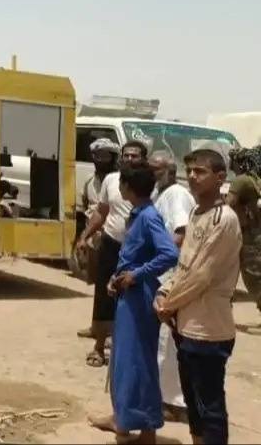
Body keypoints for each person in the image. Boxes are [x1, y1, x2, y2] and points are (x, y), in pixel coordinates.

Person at [156, 149, 242, 445]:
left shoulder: (223, 219)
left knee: (210, 406)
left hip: (209, 329)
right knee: (193, 402)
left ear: (220, 178)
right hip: (186, 323)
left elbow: (201, 275)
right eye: (190, 170)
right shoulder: (197, 212)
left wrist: (168, 304)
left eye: (200, 171)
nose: (192, 176)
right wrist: (164, 291)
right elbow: (184, 264)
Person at [89, 163, 179, 443]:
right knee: (122, 361)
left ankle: (148, 430)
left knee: (138, 362)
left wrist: (136, 275)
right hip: (128, 295)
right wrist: (117, 278)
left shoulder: (149, 217)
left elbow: (169, 253)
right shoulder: (137, 214)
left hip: (140, 298)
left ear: (127, 187)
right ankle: (122, 419)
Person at [76, 139, 150, 367]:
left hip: (137, 249)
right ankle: (99, 347)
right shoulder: (111, 180)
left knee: (131, 296)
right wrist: (84, 236)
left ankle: (125, 349)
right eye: (126, 155)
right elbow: (101, 212)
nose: (129, 159)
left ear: (143, 159)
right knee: (103, 295)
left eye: (134, 156)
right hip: (111, 243)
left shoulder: (149, 184)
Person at [150, 151, 194, 422]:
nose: (153, 174)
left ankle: (175, 404)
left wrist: (157, 261)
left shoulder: (176, 194)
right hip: (164, 275)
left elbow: (180, 231)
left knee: (169, 344)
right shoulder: (161, 194)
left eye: (157, 170)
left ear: (169, 170)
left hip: (171, 275)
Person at [74, 138, 119, 283]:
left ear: (112, 158)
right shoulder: (89, 182)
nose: (100, 160)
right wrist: (83, 237)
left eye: (104, 156)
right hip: (94, 240)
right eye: (97, 156)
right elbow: (85, 208)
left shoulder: (119, 182)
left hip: (113, 239)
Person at [228, 145, 261, 313]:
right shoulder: (254, 180)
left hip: (247, 236)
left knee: (252, 276)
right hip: (253, 234)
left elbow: (228, 206)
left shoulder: (242, 181)